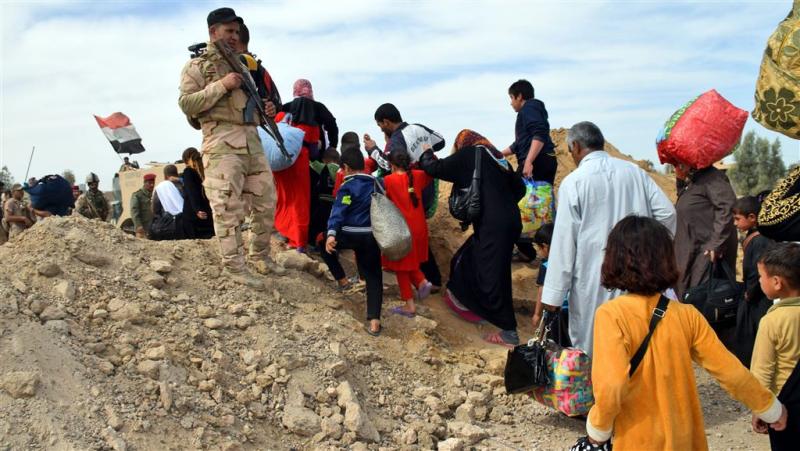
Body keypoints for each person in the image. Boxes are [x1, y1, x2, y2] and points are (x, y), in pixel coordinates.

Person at [579, 216, 786, 450]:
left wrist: (599, 429)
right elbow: (731, 371)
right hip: (686, 439)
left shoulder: (611, 315)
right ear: (666, 259)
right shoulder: (687, 315)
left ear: (614, 259)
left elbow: (611, 386)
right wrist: (770, 408)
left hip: (638, 440)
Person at [541, 122, 676, 354]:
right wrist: (649, 251)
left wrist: (553, 296)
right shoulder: (635, 172)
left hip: (593, 281)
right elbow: (667, 214)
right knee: (638, 342)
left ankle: (603, 390)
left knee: (596, 347)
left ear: (575, 146)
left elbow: (564, 244)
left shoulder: (574, 183)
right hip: (639, 274)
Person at [179, 7, 282, 289]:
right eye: (229, 31)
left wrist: (268, 111)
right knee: (227, 206)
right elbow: (187, 104)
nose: (235, 37)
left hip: (252, 141)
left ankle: (260, 256)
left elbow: (254, 105)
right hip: (221, 143)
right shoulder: (198, 67)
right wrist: (222, 85)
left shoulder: (246, 67)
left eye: (237, 32)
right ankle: (234, 267)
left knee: (266, 202)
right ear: (213, 33)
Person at [419, 130, 525, 346]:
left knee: (493, 275)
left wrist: (426, 152)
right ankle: (475, 307)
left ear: (462, 143)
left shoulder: (471, 154)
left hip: (493, 225)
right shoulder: (499, 159)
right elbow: (520, 189)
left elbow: (435, 168)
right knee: (471, 258)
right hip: (510, 221)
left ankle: (509, 332)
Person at [365, 103, 444, 290]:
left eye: (380, 125)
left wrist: (373, 150)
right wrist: (423, 152)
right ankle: (427, 279)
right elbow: (440, 141)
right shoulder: (416, 128)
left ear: (386, 121)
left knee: (407, 235)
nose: (381, 129)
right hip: (425, 182)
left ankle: (426, 279)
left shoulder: (397, 139)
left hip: (409, 187)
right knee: (417, 232)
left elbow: (387, 165)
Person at [322, 147, 384, 336]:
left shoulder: (347, 187)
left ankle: (342, 281)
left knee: (323, 247)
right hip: (372, 236)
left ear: (346, 167)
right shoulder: (378, 183)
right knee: (374, 276)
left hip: (349, 234)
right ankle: (374, 321)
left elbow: (339, 210)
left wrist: (331, 234)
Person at [273, 79, 339, 252]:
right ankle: (303, 240)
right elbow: (332, 125)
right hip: (307, 160)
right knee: (304, 200)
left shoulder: (286, 108)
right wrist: (332, 145)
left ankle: (285, 231)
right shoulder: (318, 109)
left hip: (284, 159)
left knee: (285, 196)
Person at [500, 79, 558, 263]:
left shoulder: (529, 108)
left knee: (516, 203)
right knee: (531, 205)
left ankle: (543, 249)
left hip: (538, 163)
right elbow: (519, 144)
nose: (510, 102)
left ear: (520, 96)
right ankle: (529, 250)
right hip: (538, 161)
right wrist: (498, 154)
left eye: (511, 97)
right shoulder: (529, 111)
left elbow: (539, 133)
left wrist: (529, 161)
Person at [750, 243, 800, 447]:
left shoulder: (772, 321)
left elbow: (762, 372)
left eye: (761, 277)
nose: (759, 281)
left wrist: (760, 408)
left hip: (785, 408)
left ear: (777, 282)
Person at [673, 162, 738, 299]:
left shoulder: (713, 177)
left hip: (705, 252)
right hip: (690, 248)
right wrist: (680, 180)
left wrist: (716, 244)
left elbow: (727, 208)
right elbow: (688, 203)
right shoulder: (696, 179)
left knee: (701, 298)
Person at [383, 150, 434, 317]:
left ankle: (413, 298)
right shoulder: (418, 175)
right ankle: (421, 281)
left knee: (400, 266)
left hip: (402, 229)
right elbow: (432, 172)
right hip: (419, 227)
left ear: (392, 165)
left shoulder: (388, 180)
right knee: (409, 260)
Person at [731, 196, 773, 367]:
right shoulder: (753, 236)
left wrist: (750, 292)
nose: (735, 223)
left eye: (737, 219)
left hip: (758, 298)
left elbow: (758, 271)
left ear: (752, 218)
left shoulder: (761, 240)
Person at [530, 223, 571, 347]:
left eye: (538, 248)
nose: (537, 252)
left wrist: (537, 314)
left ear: (545, 247)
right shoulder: (568, 262)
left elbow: (542, 291)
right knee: (567, 343)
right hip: (570, 309)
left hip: (554, 309)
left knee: (553, 343)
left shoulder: (546, 266)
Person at [309, 147, 340, 251]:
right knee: (329, 226)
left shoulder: (325, 167)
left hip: (323, 201)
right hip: (335, 204)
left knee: (317, 224)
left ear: (325, 160)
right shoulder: (342, 170)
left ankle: (315, 245)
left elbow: (313, 164)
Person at [182, 147, 214, 239]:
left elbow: (192, 192)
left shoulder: (188, 172)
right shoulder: (205, 170)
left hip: (195, 216)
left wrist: (197, 209)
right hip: (208, 212)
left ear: (185, 160)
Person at [151, 165, 185, 241]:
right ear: (176, 173)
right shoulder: (184, 184)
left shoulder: (161, 187)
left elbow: (155, 209)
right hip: (186, 223)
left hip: (169, 226)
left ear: (165, 176)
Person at [130, 173, 155, 239]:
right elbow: (134, 211)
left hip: (153, 228)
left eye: (153, 183)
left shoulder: (154, 195)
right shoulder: (137, 195)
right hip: (142, 229)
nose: (152, 185)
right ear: (145, 183)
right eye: (150, 183)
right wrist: (138, 226)